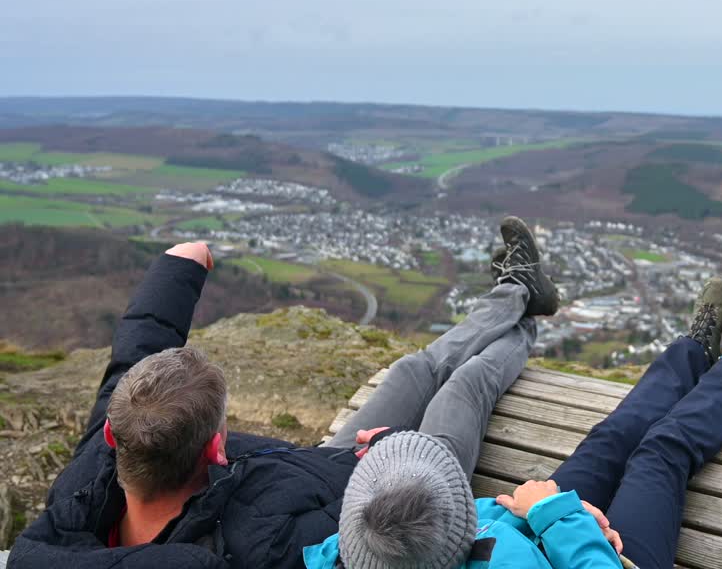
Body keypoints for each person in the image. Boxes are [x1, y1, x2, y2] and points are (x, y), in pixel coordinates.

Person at [8, 216, 557, 569]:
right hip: (407, 490)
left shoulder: (85, 492)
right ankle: (526, 313)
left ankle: (514, 290)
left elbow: (131, 361)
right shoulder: (264, 551)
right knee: (463, 388)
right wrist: (384, 453)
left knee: (412, 372)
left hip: (333, 463)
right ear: (218, 450)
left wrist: (180, 267)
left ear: (112, 432)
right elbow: (372, 525)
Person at [312, 276, 722, 569]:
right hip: (608, 555)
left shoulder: (354, 552)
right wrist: (557, 517)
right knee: (661, 453)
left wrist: (542, 514)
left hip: (535, 528)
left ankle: (692, 351)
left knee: (608, 441)